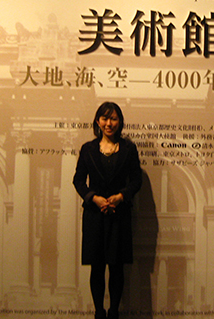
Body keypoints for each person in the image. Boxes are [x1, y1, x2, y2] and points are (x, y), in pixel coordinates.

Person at [73, 101, 142, 319]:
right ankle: (99, 313)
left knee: (117, 267)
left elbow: (136, 180)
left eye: (113, 118)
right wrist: (94, 198)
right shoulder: (88, 149)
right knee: (97, 267)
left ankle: (113, 313)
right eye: (104, 118)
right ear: (97, 121)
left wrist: (121, 196)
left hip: (119, 215)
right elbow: (78, 181)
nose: (108, 123)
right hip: (95, 215)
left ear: (120, 122)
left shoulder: (129, 149)